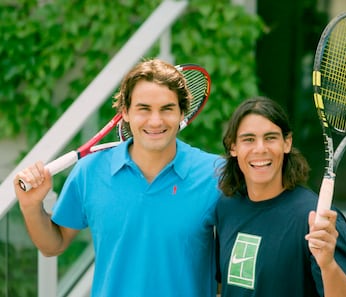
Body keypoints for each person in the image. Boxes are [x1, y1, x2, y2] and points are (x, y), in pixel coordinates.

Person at [14, 58, 222, 297]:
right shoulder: (88, 172)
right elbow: (53, 244)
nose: (155, 121)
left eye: (167, 109)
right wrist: (30, 206)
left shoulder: (215, 174)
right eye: (144, 109)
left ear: (182, 113)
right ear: (125, 113)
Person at [215, 96, 346, 297]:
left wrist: (328, 265)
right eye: (249, 139)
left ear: (287, 143)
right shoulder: (227, 207)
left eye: (270, 137)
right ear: (233, 147)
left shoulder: (317, 219)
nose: (260, 149)